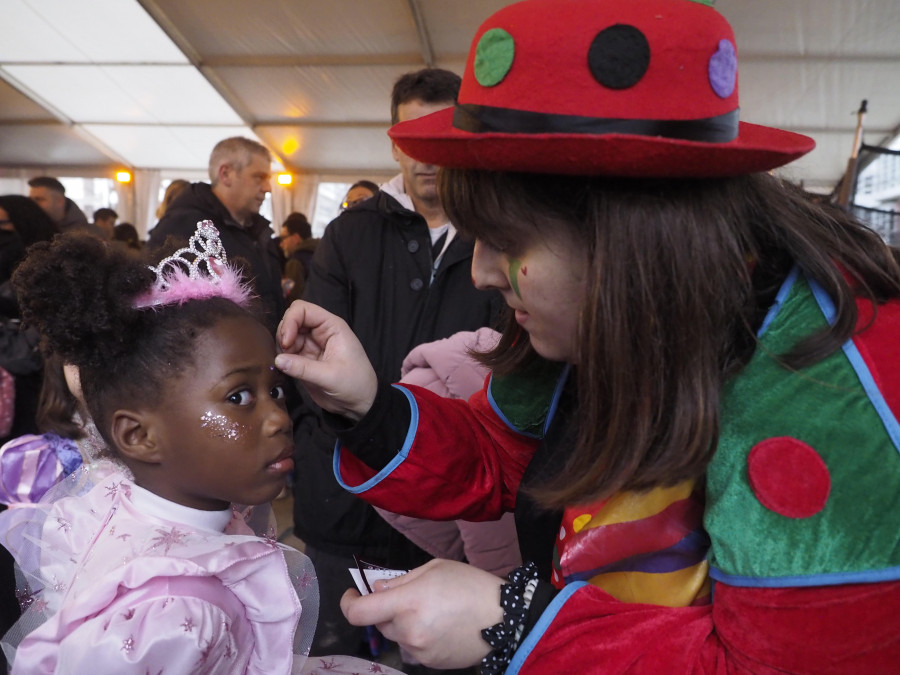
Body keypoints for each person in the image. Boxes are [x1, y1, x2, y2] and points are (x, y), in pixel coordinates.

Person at [274, 0, 900, 672]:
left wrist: (513, 622)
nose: (482, 270)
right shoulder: (614, 315)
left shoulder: (825, 387)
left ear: (625, 238)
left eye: (508, 239)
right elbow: (498, 456)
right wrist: (368, 406)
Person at [0, 224, 405, 675]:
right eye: (238, 398)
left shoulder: (132, 499)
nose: (279, 417)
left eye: (275, 390)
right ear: (138, 436)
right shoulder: (176, 619)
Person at [290, 66, 503, 666]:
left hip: (455, 510)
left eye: (444, 139)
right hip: (343, 502)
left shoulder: (498, 236)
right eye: (414, 139)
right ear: (394, 141)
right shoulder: (350, 234)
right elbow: (313, 362)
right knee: (330, 653)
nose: (428, 158)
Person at [148, 138, 284, 332]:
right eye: (259, 177)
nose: (268, 188)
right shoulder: (183, 226)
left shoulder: (255, 230)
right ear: (226, 174)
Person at [26, 177, 99, 237]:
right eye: (30, 199)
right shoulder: (29, 228)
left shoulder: (87, 235)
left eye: (39, 199)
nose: (32, 204)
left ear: (60, 201)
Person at [278, 212, 319, 304]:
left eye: (283, 238)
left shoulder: (295, 262)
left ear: (295, 237)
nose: (281, 244)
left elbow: (293, 297)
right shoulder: (321, 252)